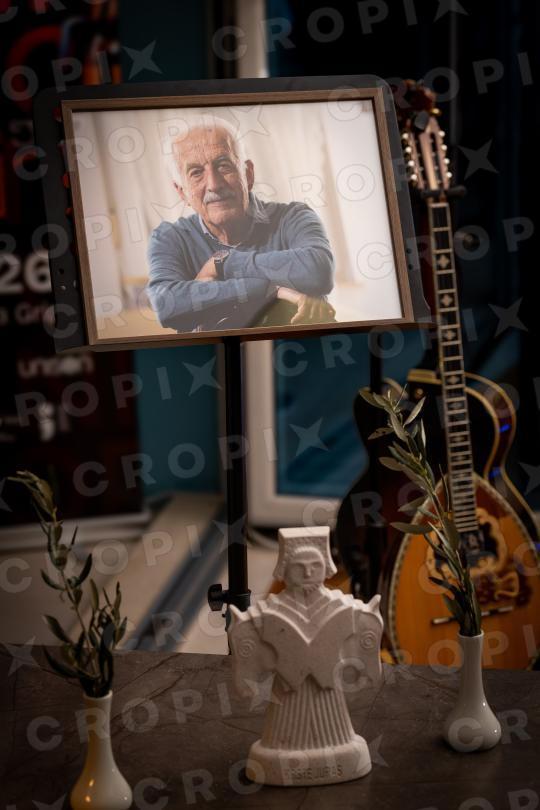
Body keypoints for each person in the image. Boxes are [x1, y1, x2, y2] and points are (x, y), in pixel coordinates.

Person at [146, 119, 336, 332]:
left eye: (224, 165)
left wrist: (223, 263)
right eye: (196, 172)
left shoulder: (293, 217)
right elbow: (166, 305)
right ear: (182, 192)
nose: (214, 184)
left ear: (248, 174)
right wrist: (272, 289)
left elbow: (318, 272)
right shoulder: (169, 238)